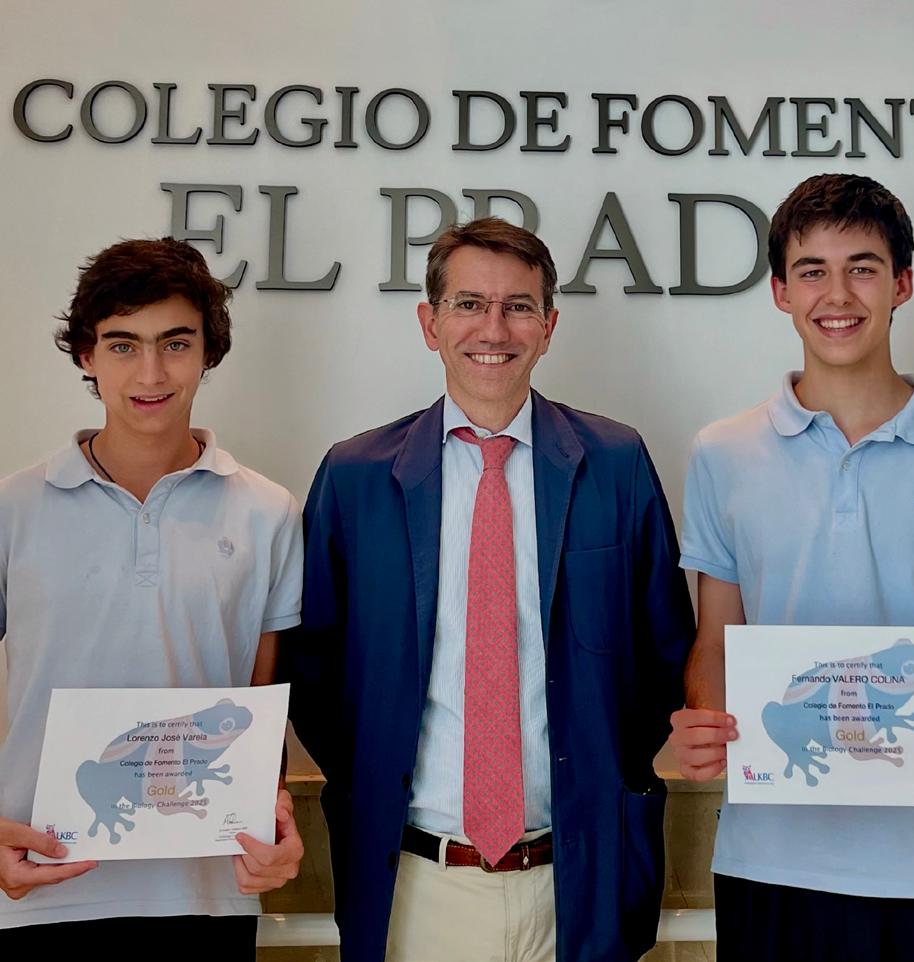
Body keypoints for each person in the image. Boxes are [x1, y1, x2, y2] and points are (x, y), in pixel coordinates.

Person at [285, 217, 694, 962]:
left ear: (549, 326)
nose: (493, 328)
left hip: (578, 881)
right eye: (469, 304)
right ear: (430, 323)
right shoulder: (354, 477)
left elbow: (664, 652)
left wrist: (604, 775)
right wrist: (376, 774)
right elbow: (314, 674)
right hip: (413, 885)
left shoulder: (616, 462)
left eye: (519, 306)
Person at [668, 174, 914, 962]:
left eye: (863, 267)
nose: (838, 294)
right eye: (812, 270)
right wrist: (705, 717)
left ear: (902, 283)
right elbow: (716, 642)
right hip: (772, 856)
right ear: (782, 291)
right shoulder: (722, 452)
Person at [0, 238, 305, 953]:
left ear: (207, 353)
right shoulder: (14, 508)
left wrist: (277, 819)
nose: (150, 373)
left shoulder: (269, 512)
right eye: (122, 345)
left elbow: (262, 703)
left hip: (209, 889)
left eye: (175, 343)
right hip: (41, 884)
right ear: (86, 355)